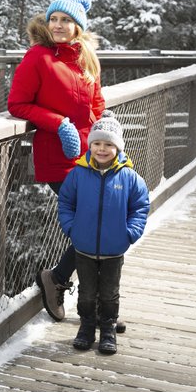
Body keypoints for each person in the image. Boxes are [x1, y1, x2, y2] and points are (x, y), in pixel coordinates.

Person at [7, 0, 104, 322]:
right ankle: (81, 293)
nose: (59, 25)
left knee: (98, 226)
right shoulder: (38, 57)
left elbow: (97, 105)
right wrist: (58, 123)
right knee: (94, 225)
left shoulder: (86, 59)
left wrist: (101, 138)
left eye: (66, 20)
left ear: (78, 26)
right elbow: (17, 105)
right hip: (57, 158)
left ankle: (64, 282)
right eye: (54, 19)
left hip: (90, 158)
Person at [58, 110, 149, 354]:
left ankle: (108, 330)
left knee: (109, 293)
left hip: (114, 248)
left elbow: (140, 206)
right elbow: (65, 202)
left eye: (108, 144)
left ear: (118, 148)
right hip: (84, 247)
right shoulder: (78, 174)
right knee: (87, 293)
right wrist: (71, 228)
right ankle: (86, 328)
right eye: (97, 143)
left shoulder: (129, 177)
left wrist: (130, 232)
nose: (101, 149)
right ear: (90, 145)